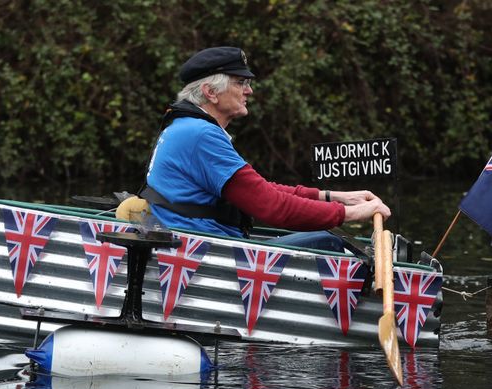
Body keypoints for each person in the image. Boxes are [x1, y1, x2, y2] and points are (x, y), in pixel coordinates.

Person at [140, 46, 391, 252]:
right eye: (241, 82)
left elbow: (259, 190)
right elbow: (271, 206)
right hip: (209, 252)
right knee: (328, 243)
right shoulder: (200, 135)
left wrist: (333, 197)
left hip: (199, 244)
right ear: (210, 92)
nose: (249, 90)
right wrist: (352, 213)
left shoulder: (185, 126)